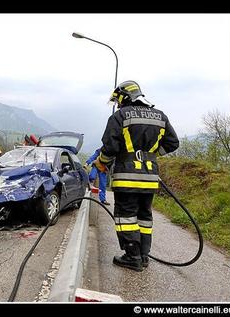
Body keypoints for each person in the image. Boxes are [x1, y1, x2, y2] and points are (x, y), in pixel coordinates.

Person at [93, 80, 179, 272]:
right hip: (150, 178)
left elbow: (110, 147)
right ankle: (143, 256)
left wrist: (101, 163)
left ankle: (132, 257)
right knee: (144, 217)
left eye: (119, 100)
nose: (118, 104)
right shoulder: (160, 116)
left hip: (126, 176)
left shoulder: (120, 116)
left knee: (126, 216)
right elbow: (173, 143)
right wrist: (151, 154)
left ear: (124, 97)